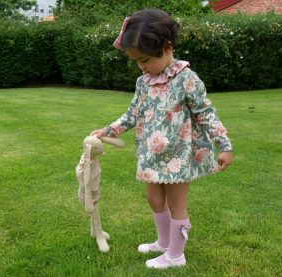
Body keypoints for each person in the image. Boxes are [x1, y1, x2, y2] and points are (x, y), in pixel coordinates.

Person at [90, 8, 232, 269]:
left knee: (177, 205)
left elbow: (206, 113)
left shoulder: (186, 80)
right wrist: (106, 130)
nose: (141, 66)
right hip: (152, 155)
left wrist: (223, 145)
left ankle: (176, 256)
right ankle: (164, 242)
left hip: (179, 156)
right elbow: (132, 114)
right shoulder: (144, 82)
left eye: (145, 59)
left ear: (167, 48)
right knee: (154, 199)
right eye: (137, 61)